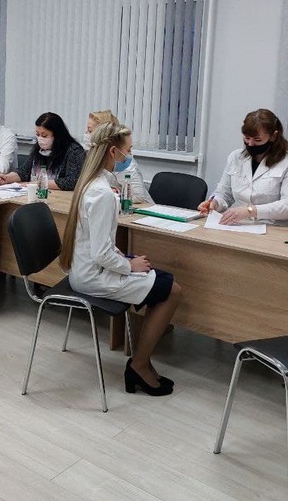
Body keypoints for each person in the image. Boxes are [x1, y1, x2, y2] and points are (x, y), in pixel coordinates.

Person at [60, 122, 182, 396]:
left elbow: (98, 244)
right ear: (113, 152)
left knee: (164, 282)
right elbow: (100, 252)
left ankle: (142, 361)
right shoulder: (102, 193)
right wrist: (128, 265)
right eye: (129, 150)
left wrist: (126, 260)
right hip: (93, 276)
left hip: (86, 269)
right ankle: (139, 365)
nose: (130, 156)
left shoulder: (92, 183)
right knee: (172, 291)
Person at [198, 109, 288, 228]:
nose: (250, 144)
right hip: (244, 226)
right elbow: (224, 193)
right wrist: (214, 203)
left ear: (273, 136)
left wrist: (250, 210)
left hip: (281, 228)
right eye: (247, 138)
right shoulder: (236, 157)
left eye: (257, 140)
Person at [0, 112, 85, 190]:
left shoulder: (74, 151)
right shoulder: (38, 148)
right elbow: (24, 171)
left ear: (57, 135)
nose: (40, 139)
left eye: (44, 135)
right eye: (38, 134)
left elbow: (71, 181)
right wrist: (7, 178)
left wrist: (37, 184)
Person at [84, 109, 153, 203]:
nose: (86, 134)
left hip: (140, 208)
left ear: (103, 132)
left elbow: (138, 197)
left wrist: (111, 194)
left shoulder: (123, 161)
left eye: (90, 131)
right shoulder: (93, 156)